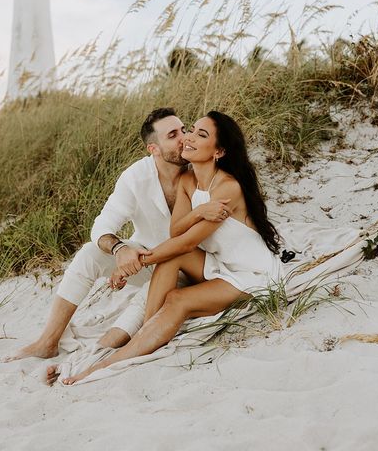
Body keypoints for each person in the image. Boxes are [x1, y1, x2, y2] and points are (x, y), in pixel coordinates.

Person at [54, 111, 283, 385]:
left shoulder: (228, 188)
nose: (189, 137)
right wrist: (200, 212)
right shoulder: (188, 181)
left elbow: (186, 241)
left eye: (200, 134)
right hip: (217, 265)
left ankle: (111, 361)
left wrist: (135, 262)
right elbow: (176, 232)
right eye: (191, 131)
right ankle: (143, 336)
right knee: (172, 258)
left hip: (249, 275)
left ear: (219, 151)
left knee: (177, 299)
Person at [4, 108, 231, 362]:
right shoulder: (136, 177)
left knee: (148, 294)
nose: (184, 138)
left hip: (195, 266)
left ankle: (95, 355)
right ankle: (48, 341)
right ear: (153, 148)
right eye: (172, 135)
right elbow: (101, 228)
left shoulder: (200, 166)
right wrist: (120, 250)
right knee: (89, 253)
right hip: (149, 259)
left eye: (184, 129)